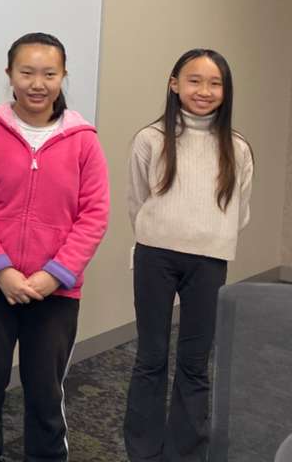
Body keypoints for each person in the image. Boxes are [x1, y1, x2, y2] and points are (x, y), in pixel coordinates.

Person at [0, 32, 109, 462]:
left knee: (45, 391)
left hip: (55, 290)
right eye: (27, 73)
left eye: (49, 74)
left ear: (62, 76)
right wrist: (0, 268)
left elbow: (94, 214)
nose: (37, 84)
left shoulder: (83, 140)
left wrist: (53, 275)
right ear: (10, 75)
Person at [123, 48, 253, 462]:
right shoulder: (150, 139)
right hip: (155, 257)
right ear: (174, 84)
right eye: (194, 80)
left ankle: (186, 453)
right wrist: (160, 232)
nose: (204, 90)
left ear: (226, 91)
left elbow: (239, 212)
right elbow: (137, 201)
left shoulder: (238, 148)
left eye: (215, 83)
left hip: (209, 261)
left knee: (195, 362)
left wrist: (206, 235)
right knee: (151, 357)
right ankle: (143, 451)